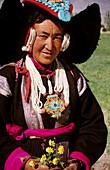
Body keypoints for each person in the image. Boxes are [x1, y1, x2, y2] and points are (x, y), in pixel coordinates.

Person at [0, 0, 107, 169]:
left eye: (57, 37)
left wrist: (77, 161)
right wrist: (24, 163)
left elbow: (94, 127)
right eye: (43, 36)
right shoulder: (9, 77)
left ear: (64, 41)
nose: (50, 46)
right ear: (30, 36)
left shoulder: (73, 77)